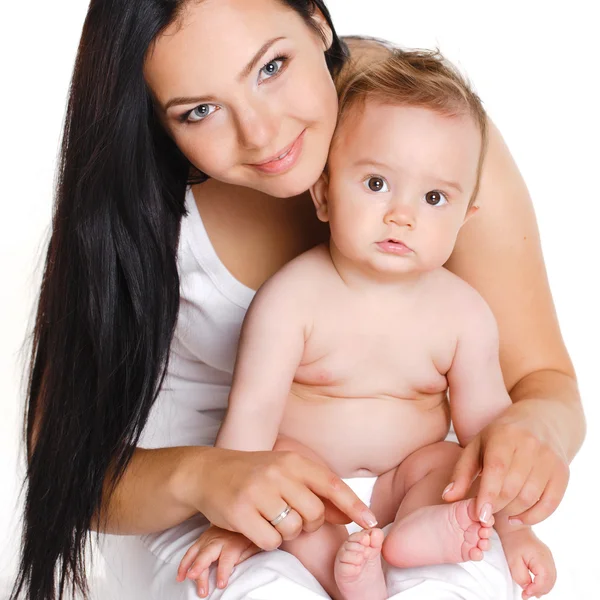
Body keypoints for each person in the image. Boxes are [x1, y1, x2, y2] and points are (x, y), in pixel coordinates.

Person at [12, 1, 584, 599]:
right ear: (155, 118)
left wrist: (527, 444)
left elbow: (540, 384)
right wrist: (209, 483)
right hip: (198, 499)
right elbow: (67, 473)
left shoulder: (434, 135)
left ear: (316, 20)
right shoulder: (136, 206)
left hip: (409, 492)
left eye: (272, 66)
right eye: (200, 111)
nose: (261, 134)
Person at [176, 48, 556, 600]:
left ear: (464, 219)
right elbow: (251, 419)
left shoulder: (464, 314)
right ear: (324, 192)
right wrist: (232, 525)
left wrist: (516, 533)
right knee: (286, 477)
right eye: (376, 184)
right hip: (312, 484)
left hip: (406, 478)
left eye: (433, 197)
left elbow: (488, 437)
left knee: (451, 463)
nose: (402, 214)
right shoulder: (291, 300)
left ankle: (412, 540)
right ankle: (352, 570)